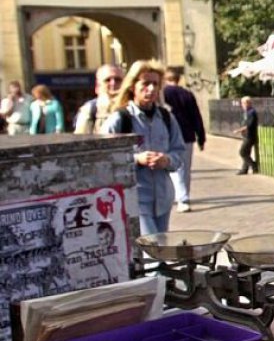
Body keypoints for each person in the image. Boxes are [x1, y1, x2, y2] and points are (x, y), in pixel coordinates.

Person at [103, 60, 184, 235]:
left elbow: (179, 152)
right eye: (146, 83)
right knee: (152, 250)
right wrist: (136, 159)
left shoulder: (166, 118)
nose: (151, 88)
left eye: (155, 84)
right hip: (135, 198)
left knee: (160, 249)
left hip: (163, 198)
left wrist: (167, 160)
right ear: (133, 86)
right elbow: (103, 158)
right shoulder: (120, 119)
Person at [163, 68, 206, 212]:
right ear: (178, 79)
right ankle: (183, 197)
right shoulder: (187, 94)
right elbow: (196, 116)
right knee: (184, 168)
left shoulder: (163, 94)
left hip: (168, 135)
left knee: (171, 167)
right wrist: (201, 136)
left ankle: (178, 197)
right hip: (187, 135)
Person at [74, 64, 123, 134]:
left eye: (118, 79)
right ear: (98, 86)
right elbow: (80, 141)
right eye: (107, 80)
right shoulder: (89, 110)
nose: (113, 83)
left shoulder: (133, 109)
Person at [233, 96, 258, 175]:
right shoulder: (247, 112)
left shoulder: (252, 112)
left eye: (243, 103)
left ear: (247, 103)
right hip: (246, 135)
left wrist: (238, 130)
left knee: (242, 152)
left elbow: (249, 125)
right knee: (246, 153)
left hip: (250, 136)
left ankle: (254, 166)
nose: (242, 105)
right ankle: (244, 169)